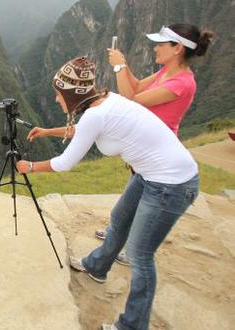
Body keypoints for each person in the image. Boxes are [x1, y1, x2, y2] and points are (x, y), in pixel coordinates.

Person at [16, 56, 199, 330]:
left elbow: (65, 163)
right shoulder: (106, 100)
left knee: (139, 255)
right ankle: (97, 266)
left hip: (171, 185)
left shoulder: (97, 113)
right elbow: (85, 130)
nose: (56, 99)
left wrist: (29, 166)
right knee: (120, 217)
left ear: (71, 94)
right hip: (150, 175)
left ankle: (133, 325)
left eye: (58, 94)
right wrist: (48, 132)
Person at [92, 23, 214, 250]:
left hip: (157, 152)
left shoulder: (182, 83)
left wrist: (119, 68)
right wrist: (124, 65)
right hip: (145, 147)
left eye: (160, 44)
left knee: (143, 200)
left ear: (177, 48)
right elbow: (137, 86)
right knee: (133, 198)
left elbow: (131, 100)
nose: (155, 48)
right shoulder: (167, 72)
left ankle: (129, 247)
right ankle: (116, 235)